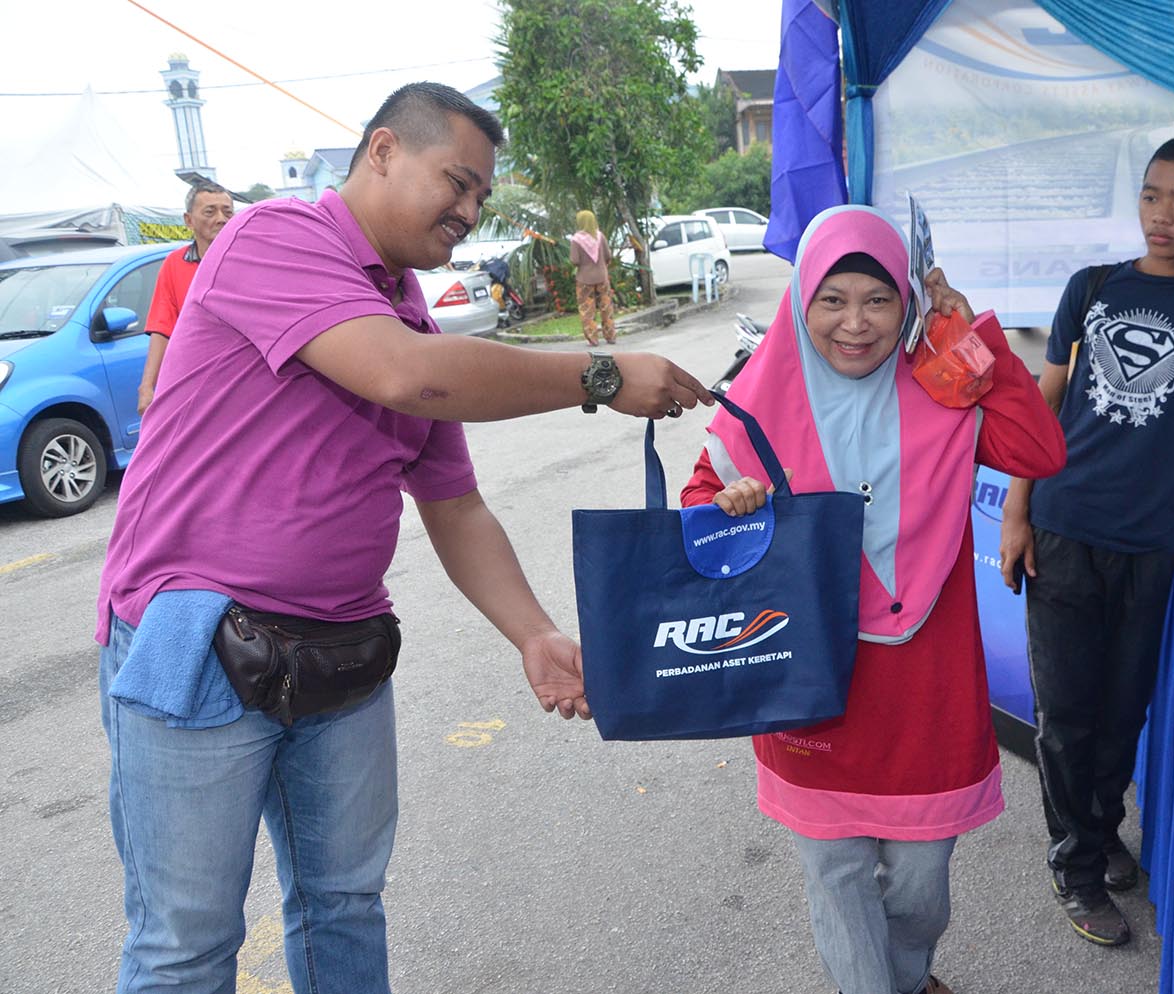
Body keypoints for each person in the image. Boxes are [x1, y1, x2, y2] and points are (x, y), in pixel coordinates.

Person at [95, 82, 712, 994]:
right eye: (457, 182)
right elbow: (401, 377)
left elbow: (455, 507)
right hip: (200, 645)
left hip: (343, 654)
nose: (469, 210)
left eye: (481, 196)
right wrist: (600, 373)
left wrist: (534, 634)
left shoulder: (407, 313)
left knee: (344, 906)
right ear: (382, 151)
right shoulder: (273, 237)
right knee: (186, 944)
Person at [682, 205, 1066, 994]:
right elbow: (698, 504)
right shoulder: (756, 400)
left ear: (908, 302)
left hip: (924, 691)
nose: (855, 323)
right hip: (810, 687)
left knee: (922, 884)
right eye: (832, 300)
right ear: (801, 301)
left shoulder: (945, 386)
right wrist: (729, 506)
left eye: (878, 300)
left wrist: (972, 337)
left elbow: (1040, 450)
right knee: (837, 878)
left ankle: (909, 973)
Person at [997, 134, 1174, 946]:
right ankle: (1076, 865)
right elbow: (1043, 403)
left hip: (1150, 539)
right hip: (1064, 524)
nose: (1162, 214)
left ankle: (1100, 830)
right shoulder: (1093, 287)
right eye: (1152, 195)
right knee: (1066, 715)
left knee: (1122, 712)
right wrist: (1015, 512)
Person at [137, 180, 235, 412]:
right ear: (188, 220)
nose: (221, 219)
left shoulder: (251, 260)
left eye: (227, 212)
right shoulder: (174, 264)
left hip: (241, 378)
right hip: (195, 382)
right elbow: (162, 328)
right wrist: (147, 386)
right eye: (210, 212)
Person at [569, 208, 616, 345]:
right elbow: (608, 256)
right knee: (606, 307)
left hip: (584, 279)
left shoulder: (576, 240)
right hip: (602, 277)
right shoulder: (600, 236)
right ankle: (610, 336)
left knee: (587, 309)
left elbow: (575, 260)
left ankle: (593, 338)